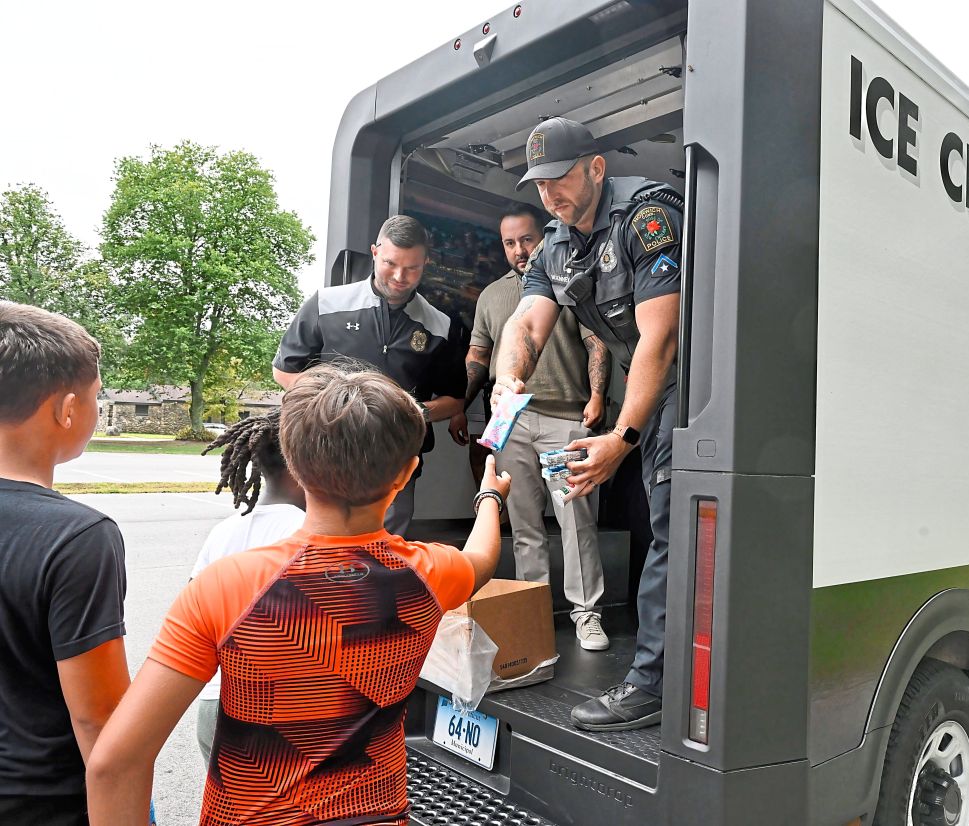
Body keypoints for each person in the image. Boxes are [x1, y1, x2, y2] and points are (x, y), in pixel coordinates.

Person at [86, 364, 511, 826]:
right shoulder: (433, 571)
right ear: (407, 473)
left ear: (292, 460)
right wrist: (489, 495)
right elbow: (483, 559)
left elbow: (115, 764)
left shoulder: (226, 586)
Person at [492, 118, 682, 731]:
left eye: (559, 178)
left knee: (674, 527)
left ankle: (650, 683)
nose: (548, 194)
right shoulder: (553, 246)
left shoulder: (647, 214)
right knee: (664, 525)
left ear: (596, 167)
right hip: (654, 384)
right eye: (538, 184)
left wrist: (621, 440)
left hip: (698, 378)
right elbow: (526, 324)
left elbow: (662, 336)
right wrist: (510, 379)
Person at [0, 302, 130, 825]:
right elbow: (100, 720)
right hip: (45, 805)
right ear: (68, 409)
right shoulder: (78, 537)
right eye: (98, 397)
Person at [466, 203, 612, 651]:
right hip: (510, 417)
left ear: (546, 236)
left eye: (527, 239)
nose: (519, 249)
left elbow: (597, 344)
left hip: (565, 415)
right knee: (524, 525)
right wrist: (461, 407)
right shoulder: (490, 295)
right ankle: (532, 612)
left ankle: (586, 614)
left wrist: (599, 397)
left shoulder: (569, 283)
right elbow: (478, 356)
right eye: (509, 242)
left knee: (576, 521)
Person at [272, 215, 468, 537]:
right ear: (375, 252)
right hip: (327, 447)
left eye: (413, 268)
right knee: (323, 541)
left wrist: (411, 412)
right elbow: (284, 371)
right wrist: (333, 405)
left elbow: (454, 400)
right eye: (391, 263)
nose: (400, 277)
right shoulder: (326, 303)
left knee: (386, 550)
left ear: (426, 263)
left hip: (398, 456)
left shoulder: (441, 326)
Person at [190, 410, 307, 766]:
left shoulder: (225, 530)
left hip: (213, 705)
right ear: (307, 463)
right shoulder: (304, 533)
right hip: (267, 708)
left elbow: (195, 615)